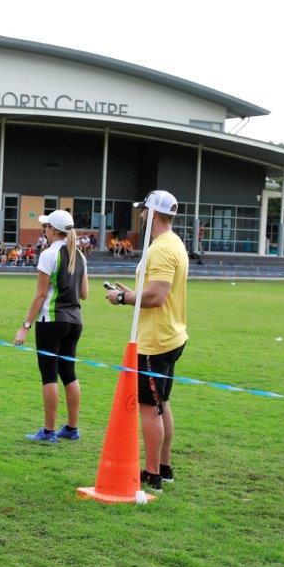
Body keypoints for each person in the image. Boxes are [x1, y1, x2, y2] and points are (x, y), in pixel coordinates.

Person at [104, 190, 189, 493]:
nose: (140, 215)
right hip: (169, 334)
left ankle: (153, 474)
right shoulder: (171, 242)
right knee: (161, 403)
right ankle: (164, 467)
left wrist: (122, 298)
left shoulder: (162, 248)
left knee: (149, 407)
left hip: (156, 340)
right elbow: (153, 291)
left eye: (143, 210)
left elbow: (157, 296)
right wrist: (133, 293)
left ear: (153, 213)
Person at [14, 209, 88, 442]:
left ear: (53, 230)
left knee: (49, 376)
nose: (44, 230)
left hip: (52, 322)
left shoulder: (49, 254)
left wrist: (25, 326)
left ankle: (48, 431)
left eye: (45, 226)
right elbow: (84, 293)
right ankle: (72, 428)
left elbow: (40, 296)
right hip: (74, 322)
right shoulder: (80, 255)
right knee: (69, 374)